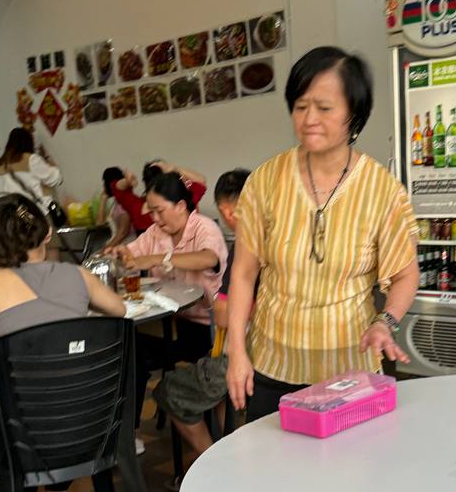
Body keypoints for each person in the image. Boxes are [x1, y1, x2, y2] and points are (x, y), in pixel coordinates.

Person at [226, 46, 419, 421]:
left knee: (351, 460)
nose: (309, 119)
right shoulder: (266, 180)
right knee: (270, 458)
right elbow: (244, 273)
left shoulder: (381, 190)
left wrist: (386, 321)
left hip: (349, 369)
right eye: (300, 106)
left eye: (324, 108)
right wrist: (236, 351)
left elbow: (405, 275)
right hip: (272, 363)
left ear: (353, 112)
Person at [0, 195, 126, 492]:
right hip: (95, 426)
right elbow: (119, 309)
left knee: (1, 421)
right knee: (60, 397)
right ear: (47, 232)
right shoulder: (77, 275)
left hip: (28, 437)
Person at [155, 169, 251, 463]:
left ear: (227, 211)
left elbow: (222, 315)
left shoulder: (245, 247)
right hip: (271, 352)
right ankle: (234, 457)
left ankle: (213, 463)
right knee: (220, 391)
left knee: (168, 390)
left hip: (242, 354)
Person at [116, 171, 227, 363]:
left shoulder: (204, 227)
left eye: (159, 211)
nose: (155, 218)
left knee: (142, 355)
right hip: (171, 320)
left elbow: (208, 258)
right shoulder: (155, 232)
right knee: (130, 350)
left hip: (208, 325)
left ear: (181, 206)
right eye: (151, 212)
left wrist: (157, 259)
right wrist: (120, 253)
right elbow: (130, 254)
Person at [110, 160, 207, 237]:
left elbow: (116, 188)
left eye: (160, 211)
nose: (156, 218)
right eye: (153, 212)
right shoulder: (181, 203)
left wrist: (127, 181)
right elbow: (201, 182)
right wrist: (175, 169)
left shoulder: (136, 207)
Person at [0, 128, 62, 210]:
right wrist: (46, 158)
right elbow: (55, 178)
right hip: (37, 210)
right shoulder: (30, 159)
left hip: (10, 213)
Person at [96, 166, 134, 251]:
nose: (103, 186)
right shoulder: (116, 203)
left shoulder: (124, 203)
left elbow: (123, 233)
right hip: (118, 245)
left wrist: (104, 250)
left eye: (104, 183)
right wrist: (103, 200)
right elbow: (99, 223)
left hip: (127, 246)